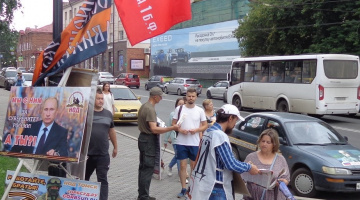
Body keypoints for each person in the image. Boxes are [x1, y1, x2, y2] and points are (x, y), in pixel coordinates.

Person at [188, 104, 259, 200]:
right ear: (230, 118)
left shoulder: (208, 131)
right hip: (216, 186)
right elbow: (230, 164)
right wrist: (249, 167)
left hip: (202, 181)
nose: (235, 124)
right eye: (235, 120)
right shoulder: (220, 136)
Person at [137, 87, 179, 200]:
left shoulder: (144, 106)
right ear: (155, 96)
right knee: (147, 168)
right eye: (160, 96)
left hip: (143, 138)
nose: (161, 98)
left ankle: (142, 194)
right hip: (148, 140)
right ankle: (144, 196)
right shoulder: (150, 109)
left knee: (143, 167)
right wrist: (171, 128)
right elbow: (154, 129)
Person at [172, 88, 208, 198]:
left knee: (194, 166)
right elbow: (174, 124)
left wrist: (196, 130)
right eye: (189, 96)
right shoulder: (179, 109)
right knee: (182, 166)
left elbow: (205, 125)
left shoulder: (200, 110)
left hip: (195, 143)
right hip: (181, 142)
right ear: (186, 96)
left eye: (193, 96)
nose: (191, 98)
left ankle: (192, 187)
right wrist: (180, 130)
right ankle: (183, 188)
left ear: (196, 97)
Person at [85, 88, 118, 200]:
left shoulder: (108, 114)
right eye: (98, 98)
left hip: (103, 154)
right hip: (87, 154)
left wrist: (115, 147)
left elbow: (112, 131)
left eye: (102, 99)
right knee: (84, 178)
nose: (100, 101)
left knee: (102, 179)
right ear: (93, 100)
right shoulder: (87, 113)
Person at [243, 129, 290, 200]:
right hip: (252, 197)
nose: (264, 144)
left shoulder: (280, 159)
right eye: (263, 141)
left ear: (274, 144)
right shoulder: (251, 157)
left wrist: (283, 183)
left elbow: (286, 178)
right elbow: (242, 176)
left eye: (268, 142)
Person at [164, 97, 185, 177]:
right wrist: (166, 140)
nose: (181, 106)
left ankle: (170, 166)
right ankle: (181, 175)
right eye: (179, 104)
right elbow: (169, 127)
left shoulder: (185, 115)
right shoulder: (173, 114)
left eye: (183, 104)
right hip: (175, 139)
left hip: (184, 138)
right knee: (180, 157)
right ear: (176, 105)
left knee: (178, 156)